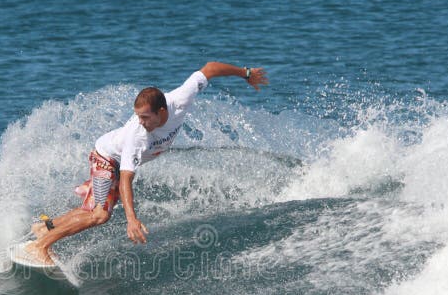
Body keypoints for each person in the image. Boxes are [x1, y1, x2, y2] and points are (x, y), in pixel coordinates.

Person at [25, 62, 268, 265]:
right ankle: (40, 246)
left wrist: (246, 74)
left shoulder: (180, 100)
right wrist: (131, 219)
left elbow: (210, 69)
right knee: (100, 215)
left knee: (92, 210)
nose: (140, 121)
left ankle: (44, 228)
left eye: (145, 116)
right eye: (138, 116)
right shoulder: (136, 136)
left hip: (114, 161)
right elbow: (126, 180)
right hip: (107, 159)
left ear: (162, 111)